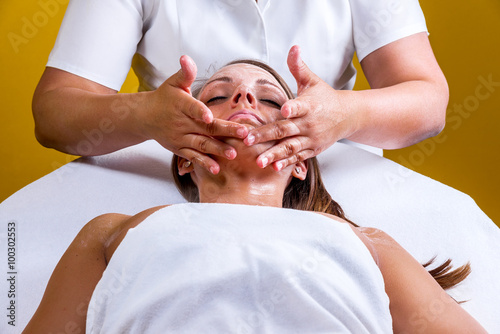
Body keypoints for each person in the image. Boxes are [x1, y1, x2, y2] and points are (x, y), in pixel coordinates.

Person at [23, 60, 484, 333]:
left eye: (268, 101)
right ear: (183, 157)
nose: (243, 95)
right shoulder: (111, 233)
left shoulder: (364, 242)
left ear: (300, 159)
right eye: (218, 96)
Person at [32, 0, 449, 175]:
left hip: (327, 185)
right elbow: (54, 114)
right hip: (176, 187)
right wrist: (145, 116)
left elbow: (427, 100)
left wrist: (345, 115)